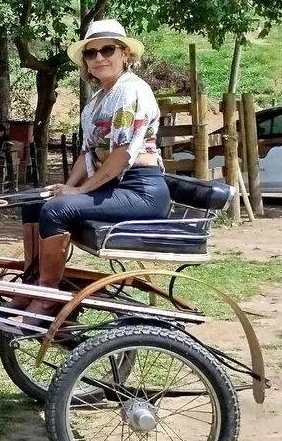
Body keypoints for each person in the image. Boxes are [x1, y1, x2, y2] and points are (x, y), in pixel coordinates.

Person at [11, 18, 170, 318]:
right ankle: (31, 286)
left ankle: (47, 297)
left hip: (140, 190)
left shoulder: (130, 91)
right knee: (37, 202)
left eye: (107, 50)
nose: (98, 58)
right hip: (113, 186)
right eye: (90, 53)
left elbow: (122, 154)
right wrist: (65, 187)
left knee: (57, 211)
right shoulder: (97, 101)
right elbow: (87, 153)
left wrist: (80, 191)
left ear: (125, 54)